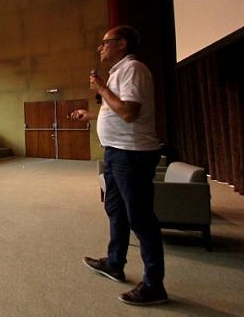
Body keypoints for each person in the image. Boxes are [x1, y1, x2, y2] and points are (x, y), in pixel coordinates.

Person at [70, 25, 166, 306]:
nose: (100, 48)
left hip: (132, 154)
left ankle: (154, 285)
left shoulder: (133, 69)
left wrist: (100, 87)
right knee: (116, 210)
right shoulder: (118, 73)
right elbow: (114, 109)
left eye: (105, 42)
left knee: (141, 219)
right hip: (116, 153)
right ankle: (115, 262)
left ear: (122, 44)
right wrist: (91, 114)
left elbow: (128, 112)